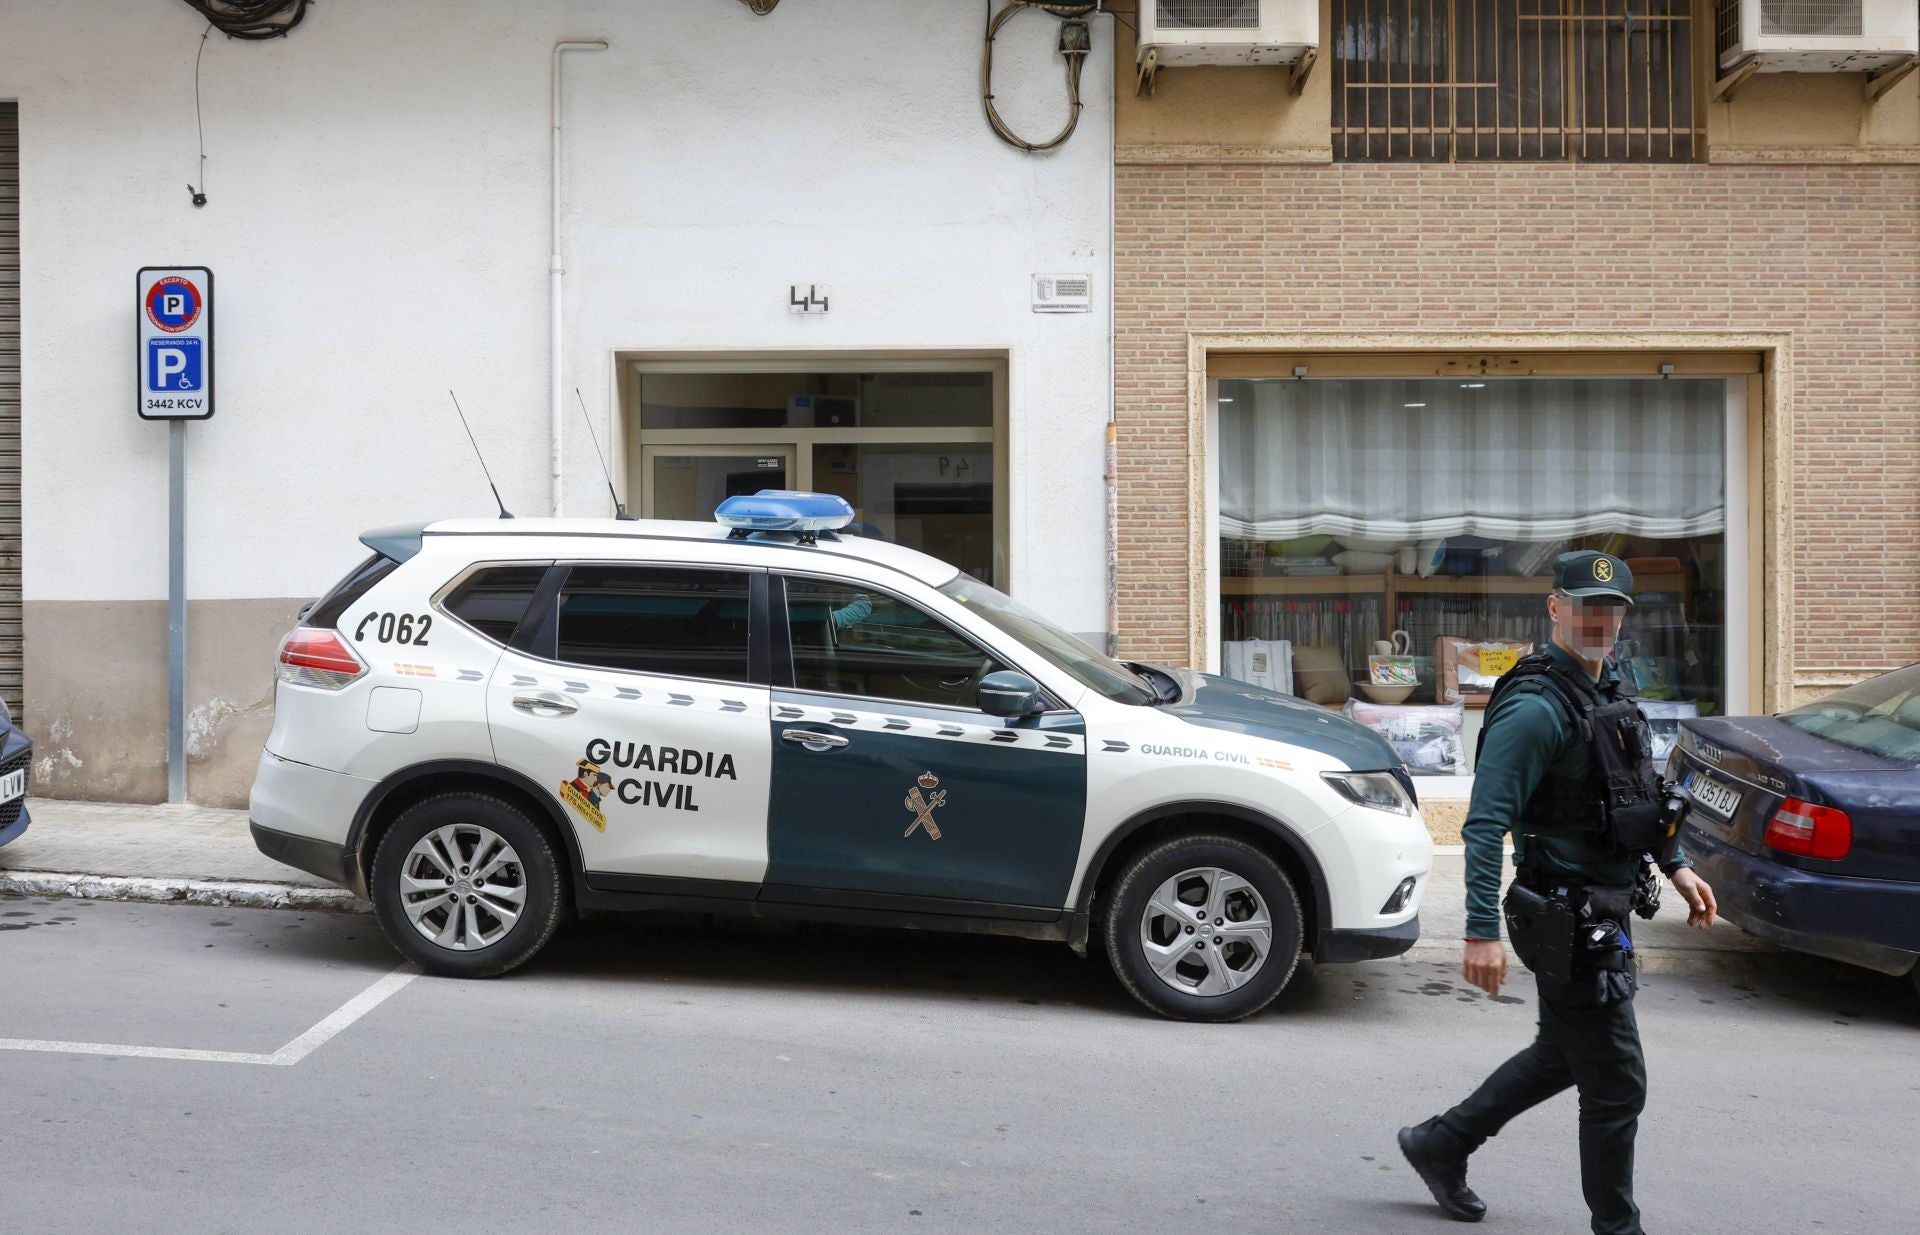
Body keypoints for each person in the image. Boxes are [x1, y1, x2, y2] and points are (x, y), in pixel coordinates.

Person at [1398, 550, 1719, 1234]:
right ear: (1554, 609)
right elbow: (1484, 824)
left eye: (1611, 608)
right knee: (1617, 1084)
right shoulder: (1537, 708)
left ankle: (1442, 1141)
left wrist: (1678, 863)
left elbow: (1636, 795)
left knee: (1563, 1052)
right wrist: (1479, 929)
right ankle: (1618, 1228)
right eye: (1584, 605)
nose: (1598, 618)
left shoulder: (1610, 686)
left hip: (1606, 908)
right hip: (1568, 922)